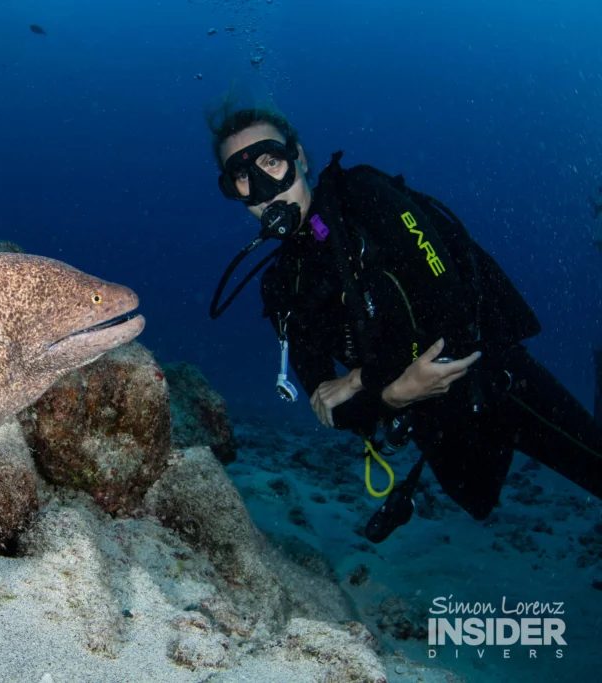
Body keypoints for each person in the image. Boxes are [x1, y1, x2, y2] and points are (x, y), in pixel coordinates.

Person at [207, 105, 602, 541]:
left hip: (493, 380)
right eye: (243, 178)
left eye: (271, 162)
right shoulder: (283, 285)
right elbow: (332, 410)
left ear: (298, 157)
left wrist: (366, 378)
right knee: (478, 500)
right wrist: (395, 395)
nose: (263, 190)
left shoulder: (364, 196)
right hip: (430, 418)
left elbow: (451, 312)